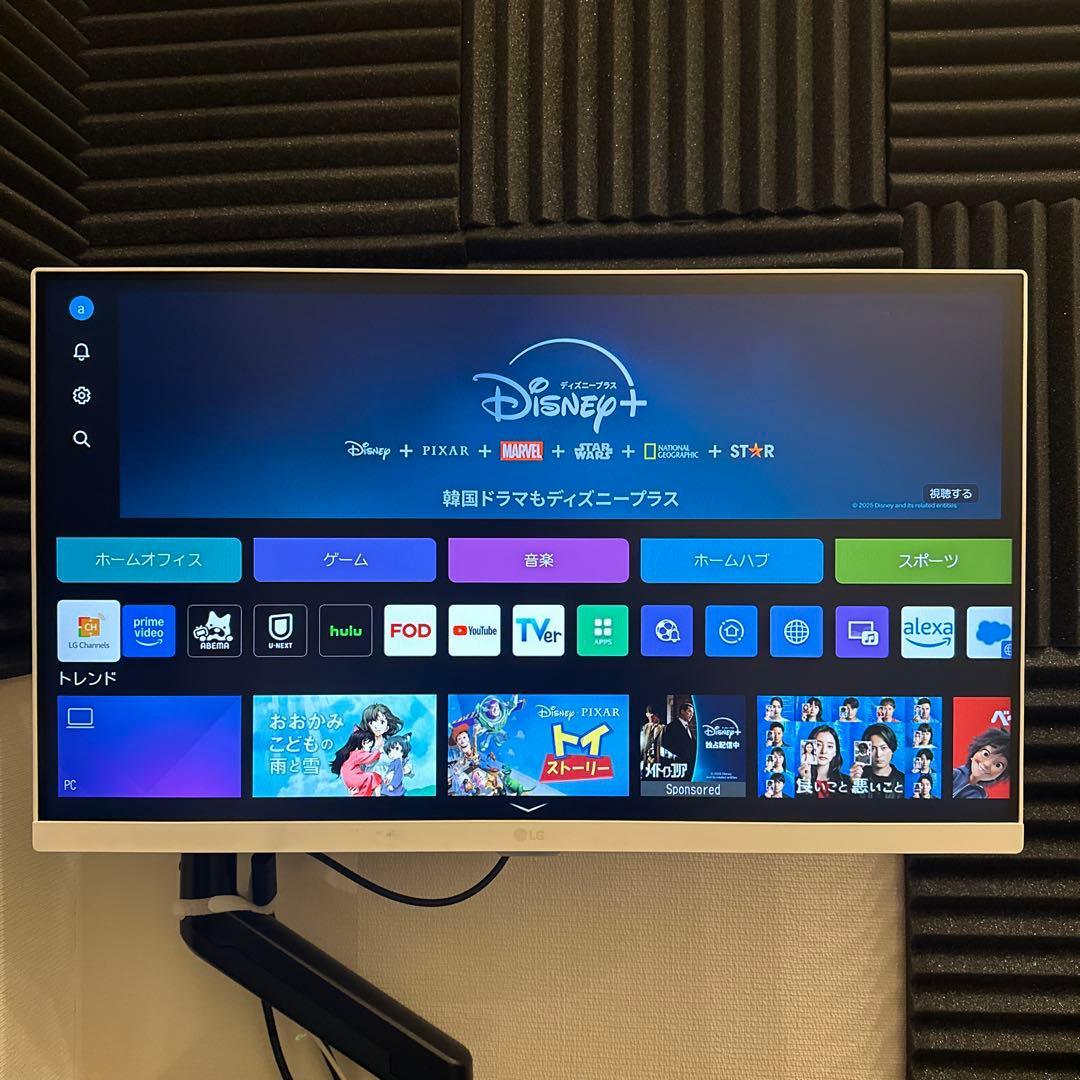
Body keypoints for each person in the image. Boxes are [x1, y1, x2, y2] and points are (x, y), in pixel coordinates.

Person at [849, 723, 903, 799]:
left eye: (883, 748)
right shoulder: (858, 777)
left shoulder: (903, 780)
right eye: (872, 748)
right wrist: (854, 785)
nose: (878, 754)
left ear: (892, 749)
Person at [953, 729, 1011, 799]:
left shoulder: (979, 796)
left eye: (998, 765)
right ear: (974, 753)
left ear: (1000, 775)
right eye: (986, 754)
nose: (987, 764)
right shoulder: (955, 774)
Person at [797, 724, 850, 798]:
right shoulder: (797, 782)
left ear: (835, 752)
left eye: (829, 746)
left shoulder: (847, 782)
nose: (824, 751)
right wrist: (806, 782)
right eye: (818, 745)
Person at [332, 731, 383, 797]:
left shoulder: (351, 754)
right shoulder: (357, 753)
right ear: (363, 743)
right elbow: (370, 758)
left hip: (349, 781)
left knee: (366, 784)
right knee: (373, 776)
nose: (369, 750)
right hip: (354, 778)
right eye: (369, 747)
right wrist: (378, 751)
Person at [663, 700, 697, 770]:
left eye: (693, 713)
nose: (692, 715)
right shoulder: (671, 726)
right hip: (678, 765)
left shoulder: (687, 727)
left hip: (689, 765)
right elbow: (667, 746)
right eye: (689, 711)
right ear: (682, 711)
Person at [640, 704, 665, 774]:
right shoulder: (646, 727)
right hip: (647, 759)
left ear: (657, 715)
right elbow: (643, 745)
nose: (650, 718)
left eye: (652, 715)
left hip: (658, 759)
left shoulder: (662, 728)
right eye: (648, 715)